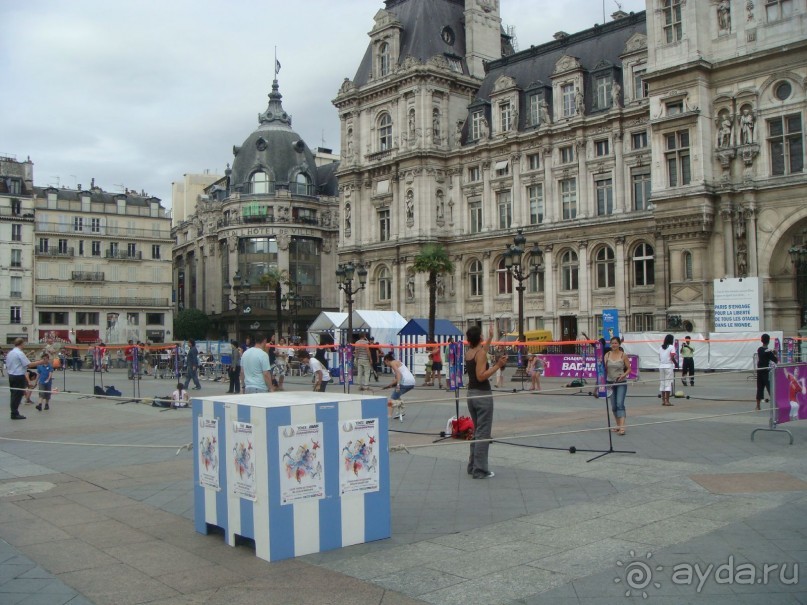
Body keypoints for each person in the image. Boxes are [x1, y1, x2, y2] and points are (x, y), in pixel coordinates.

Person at [465, 325, 508, 480]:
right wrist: (498, 365)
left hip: (471, 395)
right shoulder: (481, 353)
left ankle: (472, 466)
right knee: (483, 433)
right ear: (480, 338)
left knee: (477, 431)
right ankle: (480, 470)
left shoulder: (469, 352)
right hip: (482, 395)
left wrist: (490, 337)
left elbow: (481, 352)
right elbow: (481, 376)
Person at [6, 338, 46, 420]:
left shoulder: (11, 352)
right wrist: (41, 362)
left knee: (13, 394)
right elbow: (29, 365)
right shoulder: (19, 353)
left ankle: (14, 412)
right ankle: (14, 413)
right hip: (18, 376)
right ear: (21, 344)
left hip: (11, 375)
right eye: (24, 343)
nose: (24, 345)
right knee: (17, 395)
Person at [604, 336, 630, 435]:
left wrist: (623, 375)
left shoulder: (623, 355)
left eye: (615, 343)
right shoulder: (607, 355)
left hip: (621, 382)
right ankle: (618, 425)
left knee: (620, 404)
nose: (614, 345)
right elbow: (604, 368)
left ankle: (622, 427)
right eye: (612, 343)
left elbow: (629, 368)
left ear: (619, 344)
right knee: (614, 406)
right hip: (610, 382)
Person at [382, 352, 416, 421]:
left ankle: (389, 415)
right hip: (411, 382)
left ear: (387, 360)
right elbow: (398, 377)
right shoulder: (398, 362)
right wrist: (389, 385)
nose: (386, 365)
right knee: (397, 396)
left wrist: (397, 385)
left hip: (405, 382)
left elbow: (398, 374)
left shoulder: (392, 363)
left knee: (392, 399)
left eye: (385, 363)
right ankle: (401, 411)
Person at [756, 333, 779, 411]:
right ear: (768, 341)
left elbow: (763, 352)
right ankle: (774, 405)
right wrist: (775, 354)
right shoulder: (769, 351)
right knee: (770, 388)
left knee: (759, 388)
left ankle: (758, 406)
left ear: (761, 340)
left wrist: (771, 351)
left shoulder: (759, 349)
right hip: (766, 371)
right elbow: (775, 360)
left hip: (759, 371)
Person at [659, 334, 676, 406]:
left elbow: (659, 357)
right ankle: (667, 401)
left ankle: (663, 400)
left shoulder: (661, 347)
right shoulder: (671, 347)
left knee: (662, 383)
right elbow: (672, 356)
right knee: (668, 383)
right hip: (668, 366)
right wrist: (676, 363)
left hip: (661, 366)